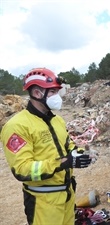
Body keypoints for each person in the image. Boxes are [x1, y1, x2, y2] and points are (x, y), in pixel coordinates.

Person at [0, 68, 93, 225]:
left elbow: (67, 146)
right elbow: (22, 169)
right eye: (53, 92)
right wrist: (65, 162)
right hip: (43, 203)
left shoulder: (57, 120)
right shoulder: (17, 126)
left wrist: (81, 154)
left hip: (67, 196)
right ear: (37, 93)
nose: (57, 97)